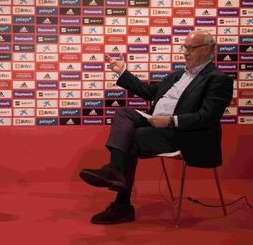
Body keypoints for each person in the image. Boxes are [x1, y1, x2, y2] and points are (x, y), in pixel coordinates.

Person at [79, 30, 233, 224]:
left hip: (183, 134)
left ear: (208, 50)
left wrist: (171, 120)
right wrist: (121, 71)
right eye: (184, 47)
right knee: (122, 113)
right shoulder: (178, 75)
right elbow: (149, 91)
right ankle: (115, 171)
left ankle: (121, 202)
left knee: (132, 137)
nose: (185, 52)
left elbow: (207, 117)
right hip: (156, 124)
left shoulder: (218, 79)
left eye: (191, 48)